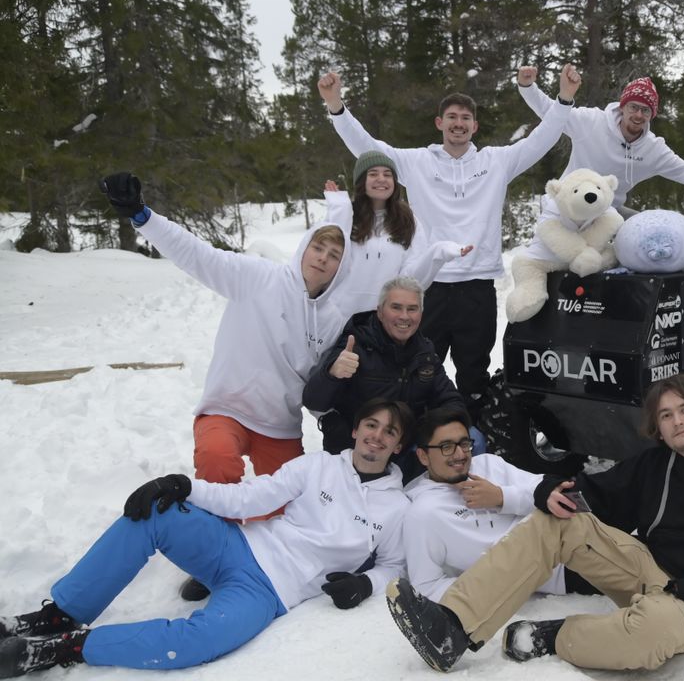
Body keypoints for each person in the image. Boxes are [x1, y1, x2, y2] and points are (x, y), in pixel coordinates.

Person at [383, 374, 684, 672]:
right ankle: (453, 626)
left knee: (650, 636)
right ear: (656, 425)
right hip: (648, 572)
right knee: (558, 519)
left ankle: (554, 637)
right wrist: (547, 492)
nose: (677, 422)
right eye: (666, 415)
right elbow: (596, 494)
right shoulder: (653, 464)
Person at [0, 399, 412, 678]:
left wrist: (365, 583)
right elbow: (252, 496)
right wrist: (184, 486)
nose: (377, 436)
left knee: (201, 641)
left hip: (268, 592)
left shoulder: (396, 508)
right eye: (371, 425)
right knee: (156, 512)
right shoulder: (318, 466)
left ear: (398, 445)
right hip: (237, 545)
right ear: (356, 429)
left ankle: (69, 647)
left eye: (389, 432)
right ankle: (63, 612)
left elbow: (393, 563)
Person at [317, 64, 581, 420]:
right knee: (419, 371)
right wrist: (336, 106)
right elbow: (367, 148)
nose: (459, 123)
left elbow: (542, 138)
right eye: (452, 117)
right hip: (429, 287)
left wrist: (564, 98)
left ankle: (473, 441)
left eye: (466, 118)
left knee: (474, 374)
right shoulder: (417, 162)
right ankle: (416, 442)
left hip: (477, 286)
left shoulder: (497, 161)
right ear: (439, 123)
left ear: (475, 126)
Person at [98, 172, 350, 486]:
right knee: (216, 466)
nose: (323, 258)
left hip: (279, 426)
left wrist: (337, 421)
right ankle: (211, 532)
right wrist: (142, 216)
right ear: (304, 247)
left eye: (334, 255)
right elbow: (197, 255)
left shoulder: (334, 319)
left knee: (286, 507)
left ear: (342, 267)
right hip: (226, 410)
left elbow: (318, 383)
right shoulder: (257, 277)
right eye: (319, 248)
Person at [402, 407, 598, 601]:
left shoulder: (488, 464)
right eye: (446, 447)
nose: (460, 454)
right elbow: (426, 585)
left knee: (619, 482)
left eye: (464, 443)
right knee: (626, 561)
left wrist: (502, 497)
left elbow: (548, 490)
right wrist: (493, 585)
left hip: (578, 525)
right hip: (561, 569)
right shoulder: (424, 512)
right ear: (423, 456)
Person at [303, 276, 465, 481]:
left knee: (470, 438)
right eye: (396, 307)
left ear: (421, 314)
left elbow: (451, 401)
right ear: (380, 312)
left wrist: (426, 431)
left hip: (403, 447)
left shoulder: (424, 351)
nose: (404, 316)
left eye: (412, 309)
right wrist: (332, 374)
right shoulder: (356, 343)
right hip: (357, 449)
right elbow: (313, 400)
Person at [515, 69, 684, 215]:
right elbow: (550, 111)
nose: (638, 115)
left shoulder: (653, 149)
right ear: (622, 107)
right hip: (568, 207)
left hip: (608, 214)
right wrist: (527, 86)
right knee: (575, 260)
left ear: (651, 115)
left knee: (650, 228)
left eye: (645, 110)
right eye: (633, 107)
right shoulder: (592, 122)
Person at [322, 151, 473, 314]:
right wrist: (338, 210)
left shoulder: (407, 220)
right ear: (361, 181)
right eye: (373, 174)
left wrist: (439, 252)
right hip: (340, 318)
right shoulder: (346, 215)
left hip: (386, 321)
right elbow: (330, 258)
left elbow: (411, 279)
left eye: (387, 174)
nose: (381, 179)